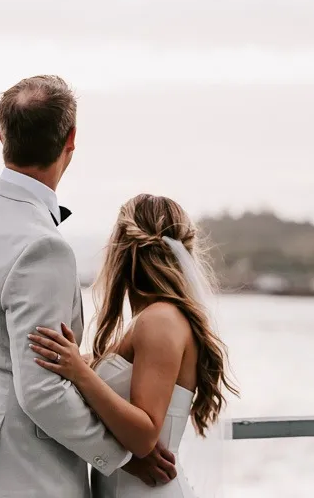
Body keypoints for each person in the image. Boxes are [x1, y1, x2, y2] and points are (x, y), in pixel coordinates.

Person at [0, 76, 176, 498]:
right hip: (25, 478)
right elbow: (41, 392)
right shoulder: (43, 246)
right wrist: (120, 454)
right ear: (71, 139)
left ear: (1, 135)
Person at [29, 193, 238, 497]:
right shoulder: (153, 320)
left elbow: (144, 437)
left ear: (123, 251)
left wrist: (80, 372)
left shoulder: (160, 320)